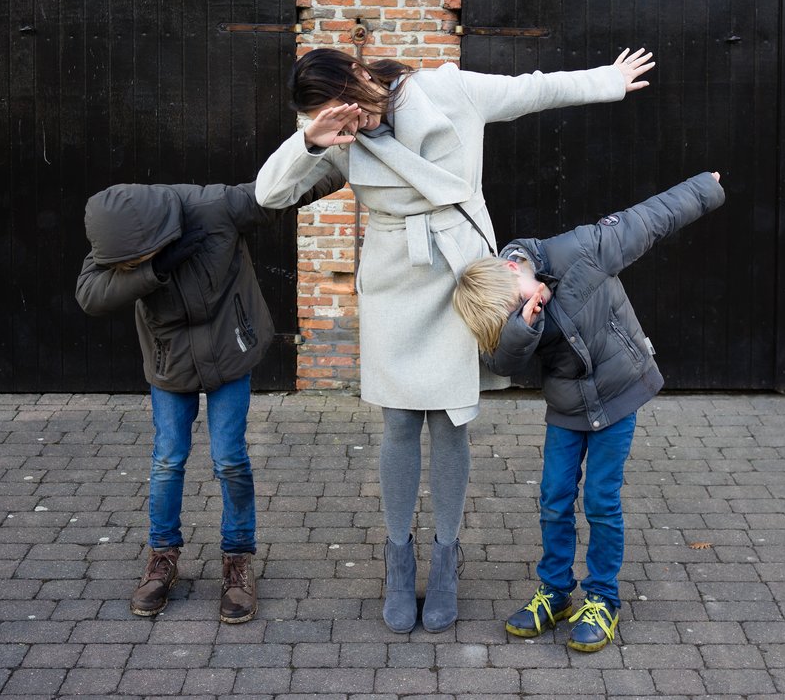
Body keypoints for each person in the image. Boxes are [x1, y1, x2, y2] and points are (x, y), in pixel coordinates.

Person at [255, 46, 654, 633]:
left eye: (354, 108)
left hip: (460, 278)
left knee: (450, 420)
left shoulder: (446, 91)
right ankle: (398, 560)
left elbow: (532, 89)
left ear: (363, 76)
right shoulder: (336, 134)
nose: (356, 123)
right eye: (337, 117)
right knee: (397, 423)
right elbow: (270, 194)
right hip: (395, 284)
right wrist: (312, 140)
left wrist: (609, 79)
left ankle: (445, 557)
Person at [451, 171, 725, 651]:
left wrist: (703, 188)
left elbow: (648, 220)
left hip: (620, 391)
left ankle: (603, 599)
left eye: (519, 304)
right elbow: (501, 361)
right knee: (554, 497)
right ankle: (555, 593)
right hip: (567, 404)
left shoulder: (581, 252)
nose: (523, 311)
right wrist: (522, 325)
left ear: (516, 270)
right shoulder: (506, 307)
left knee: (601, 499)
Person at [75, 175, 340, 622]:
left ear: (155, 235)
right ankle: (163, 558)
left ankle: (237, 561)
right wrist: (151, 271)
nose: (127, 267)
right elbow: (90, 294)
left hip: (229, 348)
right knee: (168, 458)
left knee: (229, 458)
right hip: (169, 361)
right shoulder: (119, 236)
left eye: (135, 261)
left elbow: (286, 189)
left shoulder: (217, 207)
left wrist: (341, 156)